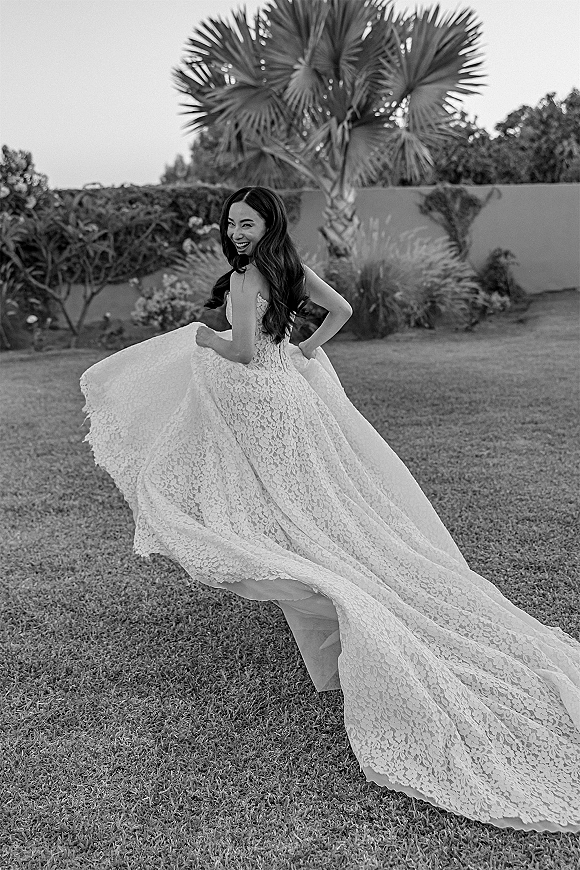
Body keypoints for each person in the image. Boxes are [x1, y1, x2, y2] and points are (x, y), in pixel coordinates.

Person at [80, 186, 580, 833]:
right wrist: (305, 351)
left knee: (295, 514)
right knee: (321, 505)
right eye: (230, 224)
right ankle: (337, 585)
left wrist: (203, 336)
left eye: (246, 223)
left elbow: (237, 349)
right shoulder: (289, 264)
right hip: (292, 396)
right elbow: (338, 311)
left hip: (262, 406)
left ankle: (335, 589)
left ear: (266, 224)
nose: (235, 233)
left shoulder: (243, 277)